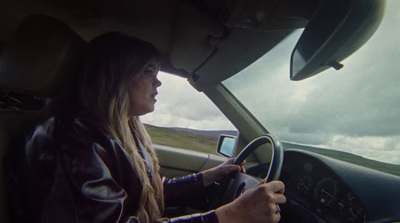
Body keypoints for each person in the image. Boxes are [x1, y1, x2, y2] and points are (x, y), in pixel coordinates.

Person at [5, 32, 286, 223]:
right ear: (116, 77)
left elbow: (144, 189)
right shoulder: (69, 138)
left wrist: (206, 178)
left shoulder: (115, 128)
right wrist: (228, 216)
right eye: (149, 71)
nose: (158, 82)